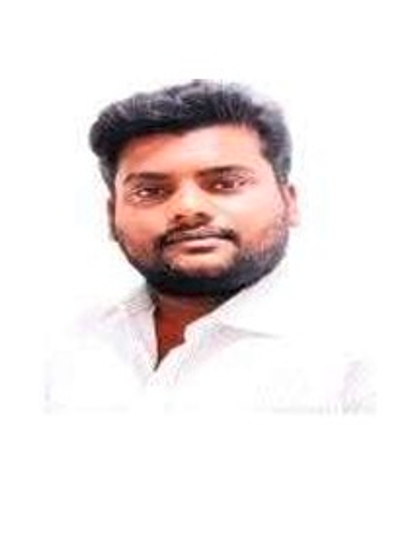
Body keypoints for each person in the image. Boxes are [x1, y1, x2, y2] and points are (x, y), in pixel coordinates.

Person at [45, 80, 374, 413]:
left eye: (226, 183)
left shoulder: (356, 358)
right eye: (150, 191)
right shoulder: (69, 343)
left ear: (289, 202)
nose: (188, 208)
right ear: (111, 216)